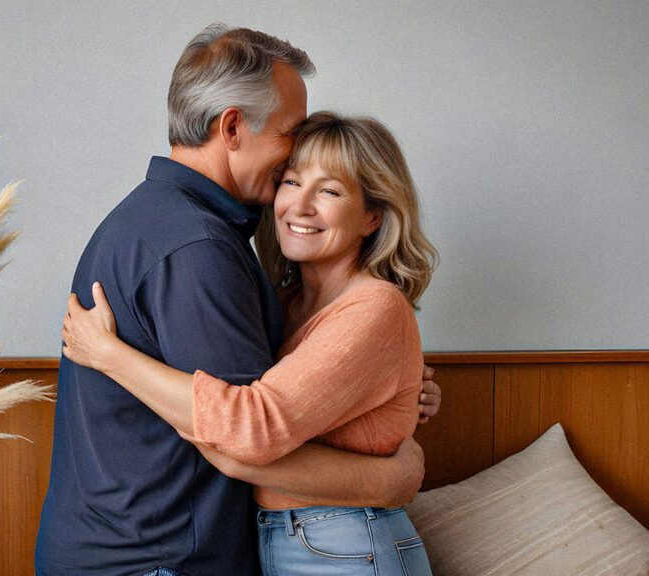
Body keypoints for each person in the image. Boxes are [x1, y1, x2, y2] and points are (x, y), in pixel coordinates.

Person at [35, 24, 441, 576]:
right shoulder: (198, 247)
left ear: (372, 214)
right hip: (156, 560)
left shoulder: (166, 223)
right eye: (290, 139)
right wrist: (396, 475)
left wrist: (387, 388)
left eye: (329, 189)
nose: (294, 194)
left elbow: (269, 410)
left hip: (289, 547)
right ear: (231, 126)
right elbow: (243, 435)